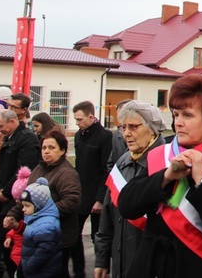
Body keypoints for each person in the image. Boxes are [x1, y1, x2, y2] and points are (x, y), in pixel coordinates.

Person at [118, 75, 202, 277]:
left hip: (199, 266)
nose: (178, 123)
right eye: (176, 114)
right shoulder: (162, 155)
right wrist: (166, 176)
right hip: (151, 265)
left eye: (188, 116)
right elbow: (127, 205)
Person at [94, 100, 167, 278]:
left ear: (152, 129)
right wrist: (102, 259)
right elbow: (107, 215)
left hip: (153, 265)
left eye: (133, 127)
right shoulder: (123, 162)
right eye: (123, 127)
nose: (126, 134)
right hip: (121, 263)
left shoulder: (167, 162)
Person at [5, 129, 81, 278]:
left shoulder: (66, 173)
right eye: (44, 148)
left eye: (52, 148)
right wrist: (13, 214)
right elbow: (27, 198)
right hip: (36, 234)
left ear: (62, 150)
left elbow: (72, 202)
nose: (46, 152)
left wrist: (41, 213)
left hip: (57, 236)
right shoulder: (39, 169)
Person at [0, 107, 40, 278]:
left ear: (12, 122)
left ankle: (9, 269)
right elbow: (4, 167)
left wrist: (6, 191)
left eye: (0, 126)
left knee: (5, 234)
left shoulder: (27, 138)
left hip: (13, 195)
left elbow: (24, 169)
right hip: (0, 189)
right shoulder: (9, 137)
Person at [71, 100, 112, 277]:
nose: (77, 123)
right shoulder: (79, 135)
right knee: (73, 235)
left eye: (80, 120)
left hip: (96, 196)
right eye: (75, 120)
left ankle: (101, 270)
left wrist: (100, 198)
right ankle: (79, 272)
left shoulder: (104, 137)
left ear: (91, 116)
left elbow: (107, 169)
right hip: (80, 193)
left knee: (98, 238)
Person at [19, 178, 63, 278]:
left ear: (39, 205)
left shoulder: (46, 225)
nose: (23, 209)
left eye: (27, 206)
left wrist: (29, 266)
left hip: (41, 271)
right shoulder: (35, 218)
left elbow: (44, 250)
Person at [4, 166, 31, 277]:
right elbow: (14, 231)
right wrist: (9, 237)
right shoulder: (22, 211)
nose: (20, 206)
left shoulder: (29, 215)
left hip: (25, 255)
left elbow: (24, 228)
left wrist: (16, 226)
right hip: (17, 253)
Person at [106, 99, 132, 172]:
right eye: (118, 114)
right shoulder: (116, 134)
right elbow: (111, 160)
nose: (120, 118)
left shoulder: (140, 135)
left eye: (123, 115)